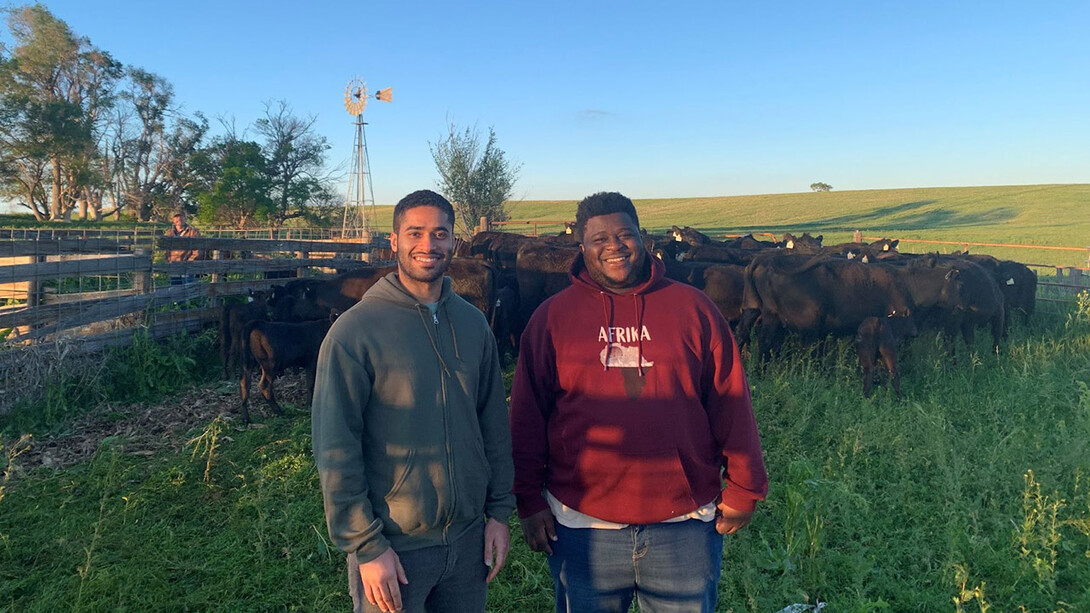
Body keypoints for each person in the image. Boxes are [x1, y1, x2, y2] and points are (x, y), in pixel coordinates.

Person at [510, 191, 768, 613]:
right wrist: (527, 498)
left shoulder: (694, 309)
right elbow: (526, 417)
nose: (613, 245)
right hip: (581, 526)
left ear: (643, 237)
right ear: (581, 246)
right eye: (599, 238)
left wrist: (745, 486)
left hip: (682, 523)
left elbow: (731, 401)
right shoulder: (552, 319)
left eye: (624, 234)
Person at [312, 189, 515, 613]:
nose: (428, 244)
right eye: (415, 233)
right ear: (394, 241)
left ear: (454, 242)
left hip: (467, 542)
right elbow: (336, 447)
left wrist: (498, 513)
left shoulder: (473, 324)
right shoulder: (355, 333)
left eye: (440, 233)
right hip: (394, 547)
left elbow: (493, 422)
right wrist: (366, 546)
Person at [164, 211, 203, 284]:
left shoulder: (193, 232)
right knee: (175, 288)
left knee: (187, 288)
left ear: (185, 218)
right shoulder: (169, 232)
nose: (178, 219)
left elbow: (198, 249)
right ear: (173, 220)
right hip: (173, 264)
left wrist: (190, 261)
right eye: (176, 217)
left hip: (187, 264)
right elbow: (166, 249)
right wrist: (168, 260)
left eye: (181, 217)